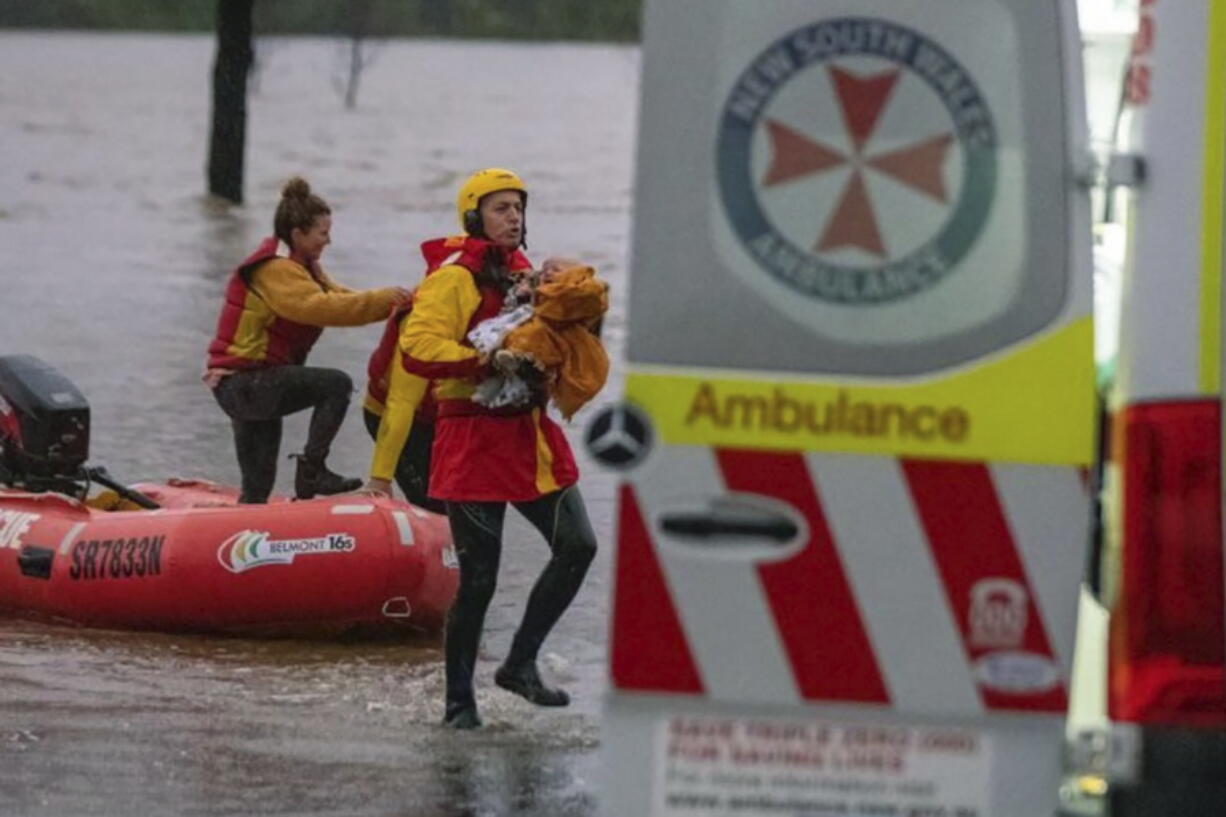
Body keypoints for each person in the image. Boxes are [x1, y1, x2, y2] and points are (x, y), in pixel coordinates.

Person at [400, 167, 599, 729]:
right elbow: (417, 348)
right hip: (471, 441)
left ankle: (519, 664)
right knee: (480, 578)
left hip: (529, 437)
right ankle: (460, 706)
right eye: (500, 208)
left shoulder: (530, 276)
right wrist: (486, 358)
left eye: (518, 208)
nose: (513, 217)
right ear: (473, 217)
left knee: (578, 546)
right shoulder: (453, 279)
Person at [204, 177, 411, 504]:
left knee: (257, 487)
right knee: (336, 384)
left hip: (252, 385)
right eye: (323, 233)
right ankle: (313, 470)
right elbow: (321, 308)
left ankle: (245, 535)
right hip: (245, 386)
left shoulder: (301, 264)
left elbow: (339, 296)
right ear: (298, 234)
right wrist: (384, 301)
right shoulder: (276, 269)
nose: (328, 241)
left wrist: (396, 301)